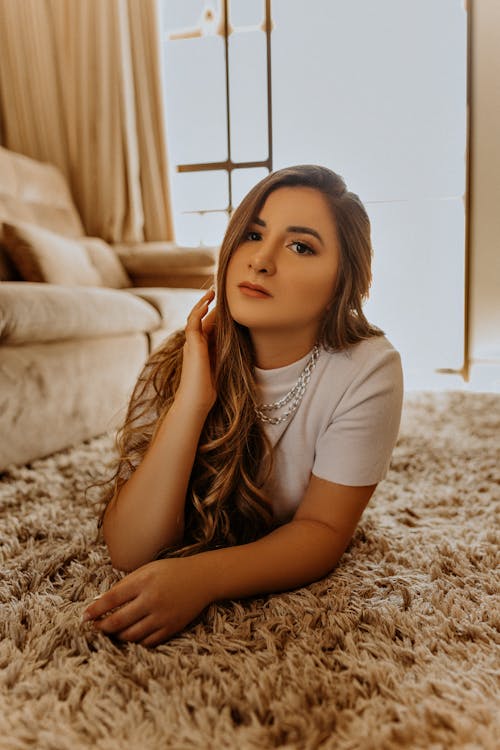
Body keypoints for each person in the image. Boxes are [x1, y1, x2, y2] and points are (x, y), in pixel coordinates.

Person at [82, 165, 404, 646]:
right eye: (253, 234)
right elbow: (129, 549)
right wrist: (193, 402)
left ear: (344, 282)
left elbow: (322, 529)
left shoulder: (367, 368)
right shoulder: (178, 359)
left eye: (300, 246)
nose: (261, 260)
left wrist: (200, 578)